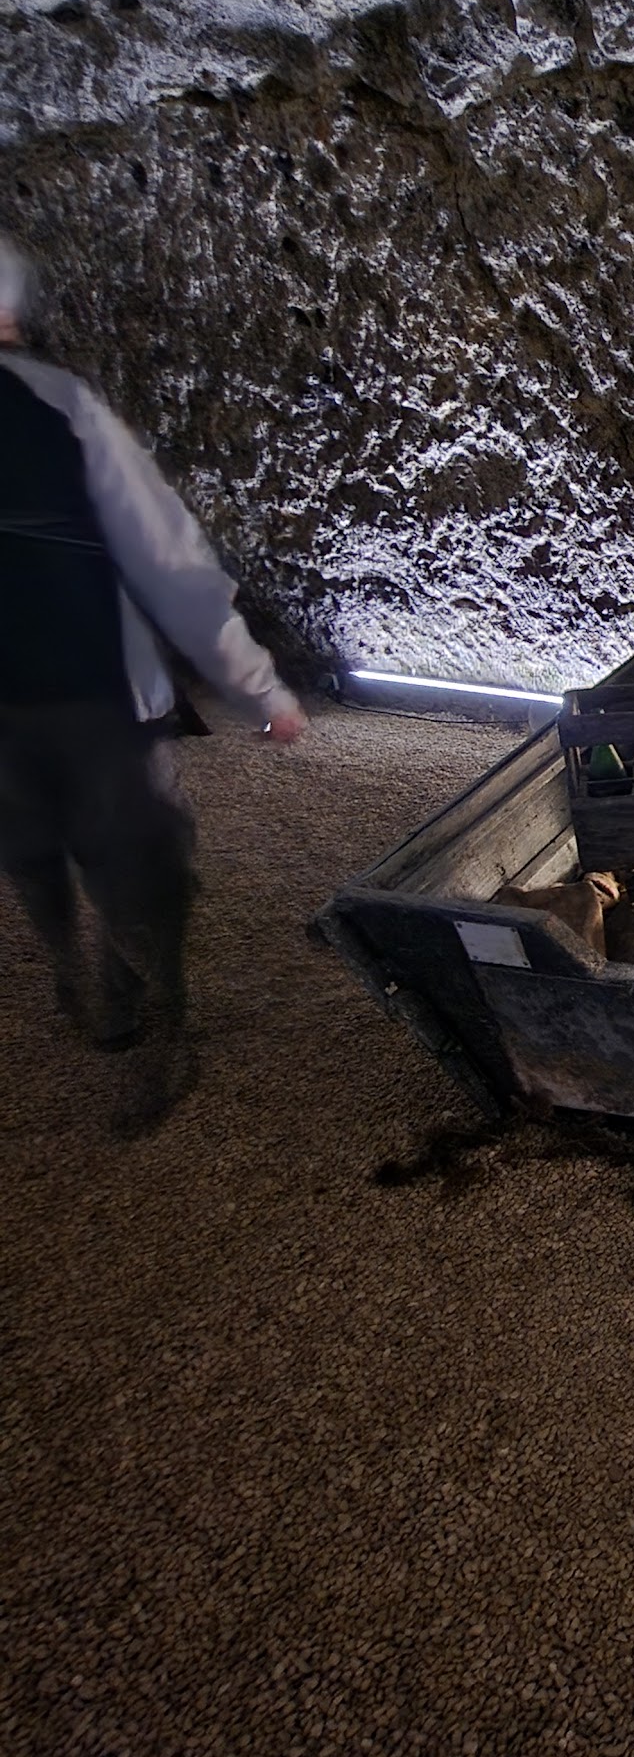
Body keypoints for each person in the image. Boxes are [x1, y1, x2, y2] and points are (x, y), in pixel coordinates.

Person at [0, 233, 307, 1136]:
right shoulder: (63, 409)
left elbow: (164, 560)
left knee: (51, 852)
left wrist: (254, 686)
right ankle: (131, 1007)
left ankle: (108, 996)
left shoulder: (62, 409)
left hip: (46, 703)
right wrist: (258, 689)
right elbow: (168, 561)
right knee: (120, 862)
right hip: (81, 694)